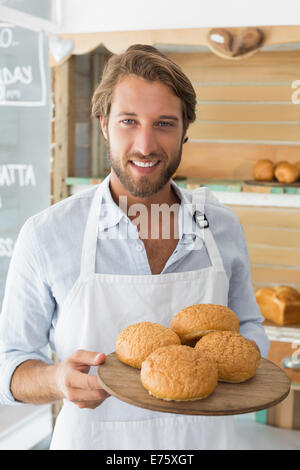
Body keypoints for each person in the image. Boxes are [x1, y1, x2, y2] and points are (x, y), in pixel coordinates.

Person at [0, 44, 269, 450]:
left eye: (164, 123)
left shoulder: (222, 228)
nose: (145, 145)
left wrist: (236, 357)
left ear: (185, 130)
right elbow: (9, 365)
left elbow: (247, 327)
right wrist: (57, 380)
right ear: (104, 124)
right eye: (129, 121)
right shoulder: (46, 234)